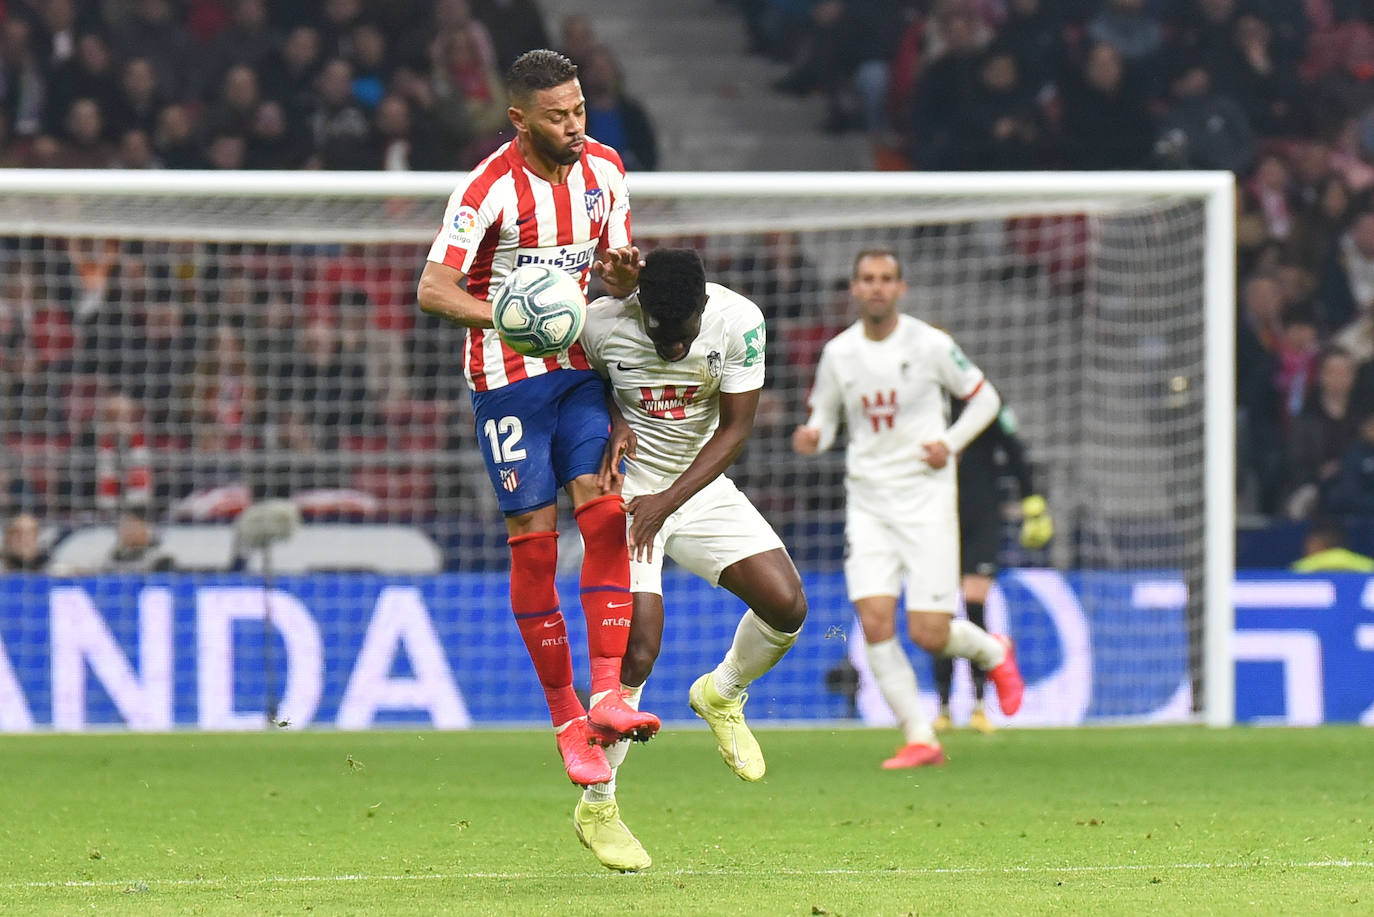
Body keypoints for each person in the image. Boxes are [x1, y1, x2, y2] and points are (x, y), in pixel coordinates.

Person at [415, 49, 656, 788]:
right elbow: (433, 288)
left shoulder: (607, 170)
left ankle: (608, 694)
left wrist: (621, 280)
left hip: (581, 368)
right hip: (507, 379)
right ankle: (565, 720)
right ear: (519, 119)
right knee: (534, 543)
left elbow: (614, 281)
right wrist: (510, 316)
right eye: (558, 116)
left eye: (579, 110)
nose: (575, 125)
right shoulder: (486, 187)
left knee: (605, 508)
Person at [570, 248, 808, 872]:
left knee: (787, 606)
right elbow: (577, 388)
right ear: (641, 307)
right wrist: (614, 415)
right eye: (660, 335)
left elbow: (735, 430)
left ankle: (721, 694)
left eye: (684, 337)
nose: (673, 350)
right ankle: (599, 804)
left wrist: (668, 502)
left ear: (704, 307)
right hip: (626, 492)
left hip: (696, 488)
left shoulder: (739, 320)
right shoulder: (600, 323)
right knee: (638, 647)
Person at [791, 249, 1025, 770]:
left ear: (902, 288)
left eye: (886, 279)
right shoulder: (838, 354)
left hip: (925, 502)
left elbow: (986, 400)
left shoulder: (930, 344)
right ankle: (920, 736)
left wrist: (952, 441)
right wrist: (814, 436)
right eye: (867, 279)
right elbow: (825, 419)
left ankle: (993, 651)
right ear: (854, 288)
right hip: (869, 503)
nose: (876, 287)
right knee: (874, 622)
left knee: (928, 632)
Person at [931, 399, 1052, 734]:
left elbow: (1012, 448)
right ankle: (943, 707)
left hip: (981, 518)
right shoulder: (925, 400)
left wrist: (1031, 500)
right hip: (936, 518)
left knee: (974, 606)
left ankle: (980, 705)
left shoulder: (982, 402)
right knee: (936, 613)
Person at [1291, 518, 1374, 573]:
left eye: (1311, 543)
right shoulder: (1368, 566)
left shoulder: (1301, 568)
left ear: (1323, 543)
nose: (1306, 547)